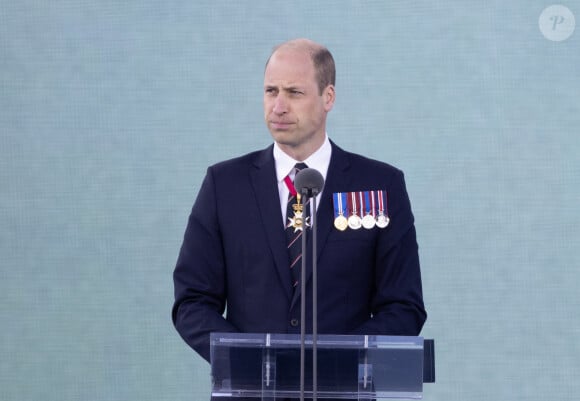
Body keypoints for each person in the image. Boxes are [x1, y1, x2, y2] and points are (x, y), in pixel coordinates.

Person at [172, 38, 426, 395]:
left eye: (293, 93)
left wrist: (338, 363)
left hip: (342, 392)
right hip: (252, 392)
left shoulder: (380, 185)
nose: (278, 106)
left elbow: (403, 306)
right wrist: (250, 361)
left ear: (328, 97)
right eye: (270, 91)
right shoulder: (224, 185)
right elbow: (192, 301)